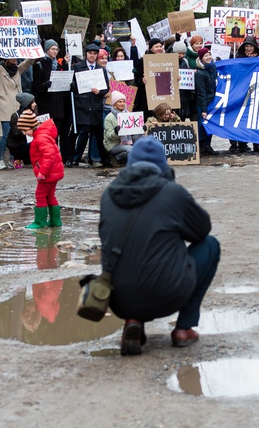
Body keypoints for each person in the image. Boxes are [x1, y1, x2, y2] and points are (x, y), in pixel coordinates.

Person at [99, 136, 220, 356]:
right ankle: (184, 328)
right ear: (163, 165)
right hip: (167, 294)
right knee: (210, 246)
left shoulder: (109, 194)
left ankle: (132, 322)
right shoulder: (172, 193)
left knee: (130, 255)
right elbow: (202, 231)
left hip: (117, 300)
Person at [0, 49, 36, 170]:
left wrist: (35, 48)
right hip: (5, 106)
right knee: (6, 135)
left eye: (16, 57)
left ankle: (14, 160)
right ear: (5, 59)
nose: (15, 59)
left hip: (17, 107)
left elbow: (29, 61)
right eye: (12, 57)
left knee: (18, 135)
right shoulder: (0, 70)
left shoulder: (18, 69)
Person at [18, 107, 65, 229]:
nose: (24, 133)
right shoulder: (43, 135)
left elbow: (49, 156)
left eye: (25, 130)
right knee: (50, 195)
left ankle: (40, 222)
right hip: (54, 172)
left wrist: (42, 172)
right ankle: (55, 221)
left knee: (40, 194)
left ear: (32, 126)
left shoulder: (40, 138)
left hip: (48, 173)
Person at [68, 43, 111, 168]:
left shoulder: (100, 69)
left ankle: (104, 159)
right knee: (79, 132)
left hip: (95, 105)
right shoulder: (77, 67)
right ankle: (72, 158)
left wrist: (100, 92)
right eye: (90, 53)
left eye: (94, 54)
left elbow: (106, 88)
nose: (92, 56)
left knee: (98, 134)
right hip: (82, 104)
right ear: (86, 54)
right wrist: (74, 86)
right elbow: (73, 84)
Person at [32, 39, 71, 162]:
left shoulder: (59, 66)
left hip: (59, 104)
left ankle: (56, 155)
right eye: (52, 49)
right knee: (48, 132)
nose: (55, 51)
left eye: (56, 49)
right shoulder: (39, 65)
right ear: (47, 49)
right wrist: (45, 85)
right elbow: (35, 87)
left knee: (57, 131)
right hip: (46, 104)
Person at [234, 35, 259, 153]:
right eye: (246, 46)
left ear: (255, 47)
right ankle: (242, 144)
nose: (248, 48)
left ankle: (256, 145)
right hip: (243, 92)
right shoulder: (240, 58)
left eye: (251, 46)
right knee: (243, 119)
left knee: (255, 119)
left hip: (256, 92)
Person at [195, 47, 218, 156]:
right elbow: (201, 92)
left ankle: (208, 145)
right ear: (201, 58)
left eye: (209, 55)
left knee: (210, 125)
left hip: (212, 101)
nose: (208, 57)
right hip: (203, 103)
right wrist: (203, 109)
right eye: (206, 56)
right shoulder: (199, 73)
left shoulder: (212, 67)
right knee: (202, 125)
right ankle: (200, 146)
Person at [103, 91, 135, 164]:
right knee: (130, 149)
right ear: (114, 104)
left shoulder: (128, 114)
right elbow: (109, 136)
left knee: (141, 145)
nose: (122, 104)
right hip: (113, 144)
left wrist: (141, 128)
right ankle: (117, 158)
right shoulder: (109, 117)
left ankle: (120, 158)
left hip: (127, 141)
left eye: (123, 101)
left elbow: (133, 131)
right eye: (120, 102)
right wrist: (116, 132)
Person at [7, 93, 34, 166]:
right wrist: (26, 131)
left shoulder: (33, 114)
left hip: (28, 142)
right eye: (33, 102)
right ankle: (17, 159)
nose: (35, 104)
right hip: (17, 145)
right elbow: (15, 134)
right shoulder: (16, 116)